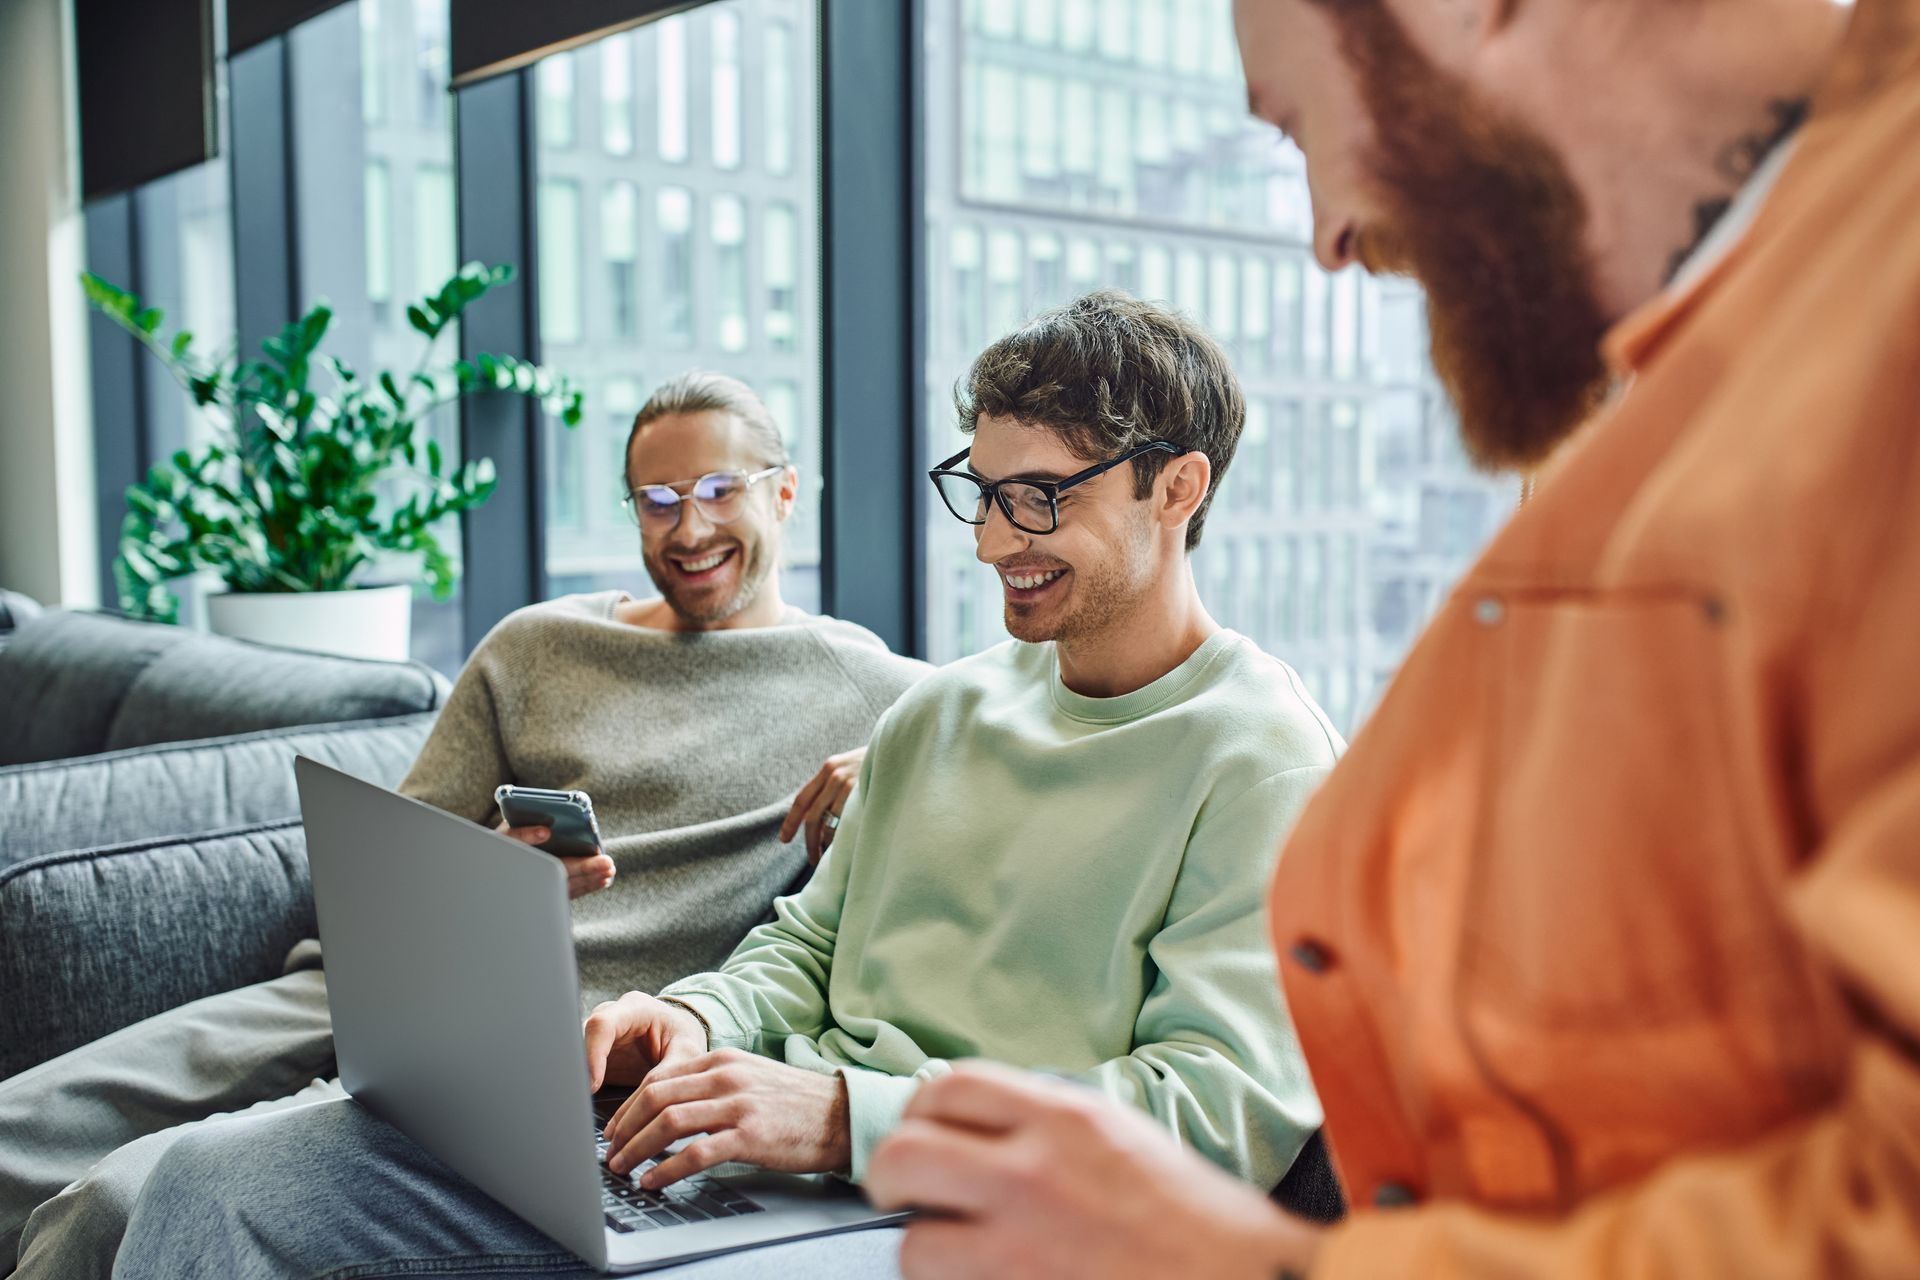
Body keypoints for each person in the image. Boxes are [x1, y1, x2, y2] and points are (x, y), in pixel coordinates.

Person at [858, 0, 1920, 1276]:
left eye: (1304, 128)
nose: (1329, 237)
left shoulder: (1871, 340)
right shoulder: (1742, 352)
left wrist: (1257, 1262)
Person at [111, 290, 1343, 1280]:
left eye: (1038, 500)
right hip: (754, 1160)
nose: (989, 542)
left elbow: (1215, 1115)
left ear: (1175, 488)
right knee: (216, 1188)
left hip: (949, 1216)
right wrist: (694, 1020)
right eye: (979, 493)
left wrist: (845, 1117)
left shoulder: (1259, 756)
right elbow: (802, 948)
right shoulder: (942, 709)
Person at [0, 371, 926, 1280]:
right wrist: (487, 876)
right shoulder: (536, 644)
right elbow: (380, 867)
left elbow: (1030, 693)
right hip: (367, 981)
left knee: (115, 1205)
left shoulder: (881, 696)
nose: (688, 528)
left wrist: (884, 760)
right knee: (20, 1133)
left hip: (542, 1045)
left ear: (785, 492)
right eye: (656, 500)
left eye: (721, 491)